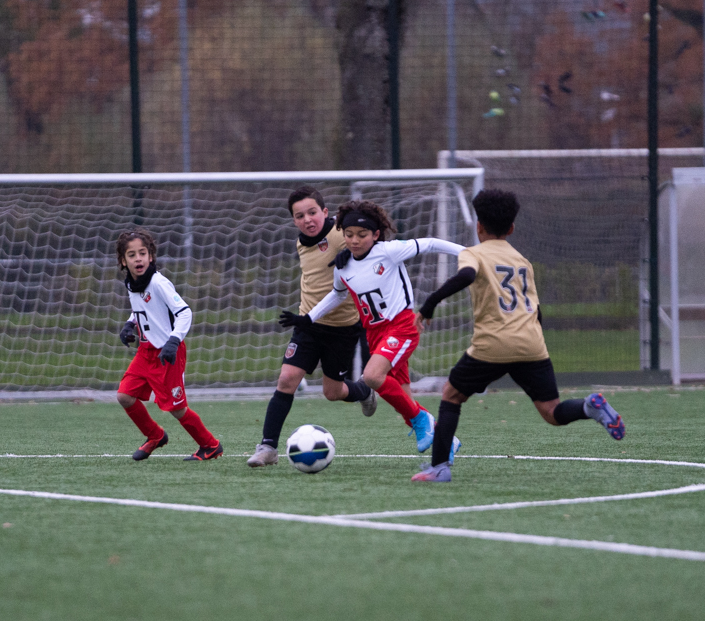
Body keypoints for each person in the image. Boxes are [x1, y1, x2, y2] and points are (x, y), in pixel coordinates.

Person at [412, 188, 625, 482]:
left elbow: (466, 276)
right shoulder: (522, 260)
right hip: (532, 344)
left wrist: (430, 304)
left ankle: (438, 469)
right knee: (552, 412)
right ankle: (590, 406)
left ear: (479, 226)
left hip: (493, 345)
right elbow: (536, 311)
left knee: (451, 395)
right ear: (511, 228)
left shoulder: (473, 254)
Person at [280, 199, 465, 454]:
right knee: (403, 398)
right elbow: (337, 294)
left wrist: (469, 253)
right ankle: (445, 443)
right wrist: (308, 318)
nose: (355, 240)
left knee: (371, 377)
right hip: (375, 334)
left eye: (362, 235)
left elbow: (431, 243)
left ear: (376, 234)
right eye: (349, 235)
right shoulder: (343, 266)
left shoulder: (389, 251)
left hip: (401, 326)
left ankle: (422, 420)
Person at [247, 186, 376, 468]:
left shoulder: (343, 233)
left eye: (312, 212)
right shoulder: (301, 241)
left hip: (342, 328)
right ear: (294, 220)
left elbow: (373, 249)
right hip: (307, 323)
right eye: (300, 215)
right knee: (286, 380)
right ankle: (267, 447)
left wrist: (352, 258)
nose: (307, 219)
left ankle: (364, 392)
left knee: (332, 392)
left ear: (325, 212)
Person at [115, 229, 223, 461]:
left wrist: (173, 341)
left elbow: (184, 313)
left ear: (151, 256)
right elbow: (140, 311)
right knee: (124, 395)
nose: (138, 259)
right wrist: (129, 324)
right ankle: (155, 436)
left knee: (176, 409)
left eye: (142, 253)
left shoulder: (158, 283)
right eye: (132, 255)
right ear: (124, 261)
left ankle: (211, 445)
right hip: (146, 353)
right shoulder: (132, 284)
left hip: (167, 353)